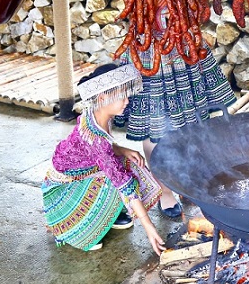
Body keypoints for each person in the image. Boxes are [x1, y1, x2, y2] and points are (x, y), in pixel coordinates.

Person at [115, 0, 236, 219]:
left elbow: (201, 2)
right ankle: (165, 189)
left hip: (186, 50)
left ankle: (187, 180)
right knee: (157, 127)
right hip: (150, 53)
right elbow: (134, 13)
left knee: (191, 122)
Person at [42, 63, 166, 255]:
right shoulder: (95, 138)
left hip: (87, 167)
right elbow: (123, 182)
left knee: (129, 164)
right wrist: (149, 228)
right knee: (123, 179)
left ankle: (110, 214)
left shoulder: (98, 113)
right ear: (102, 97)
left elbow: (106, 150)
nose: (126, 101)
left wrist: (122, 150)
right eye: (121, 96)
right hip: (68, 182)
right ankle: (77, 230)